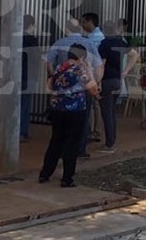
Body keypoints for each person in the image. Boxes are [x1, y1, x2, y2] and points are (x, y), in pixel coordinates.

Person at [40, 44, 99, 188]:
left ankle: (45, 174)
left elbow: (48, 87)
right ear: (82, 57)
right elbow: (93, 89)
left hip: (57, 109)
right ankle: (67, 178)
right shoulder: (80, 70)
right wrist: (89, 70)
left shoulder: (59, 68)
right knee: (72, 144)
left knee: (56, 141)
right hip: (75, 111)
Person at [96, 20, 133, 154]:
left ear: (104, 30)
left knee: (106, 113)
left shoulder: (103, 45)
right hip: (117, 80)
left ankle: (109, 144)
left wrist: (98, 82)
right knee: (112, 112)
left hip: (106, 80)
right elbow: (135, 55)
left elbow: (102, 64)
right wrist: (125, 71)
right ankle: (111, 141)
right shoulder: (121, 42)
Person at [20, 15, 40, 142]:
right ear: (31, 25)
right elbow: (35, 57)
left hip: (15, 75)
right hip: (28, 75)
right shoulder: (31, 40)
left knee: (17, 104)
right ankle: (22, 131)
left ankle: (18, 131)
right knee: (25, 104)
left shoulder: (14, 38)